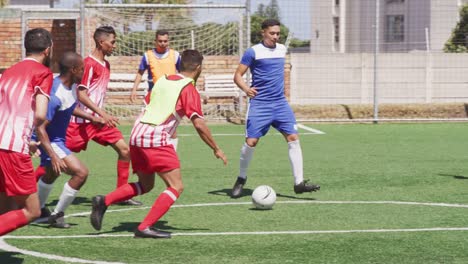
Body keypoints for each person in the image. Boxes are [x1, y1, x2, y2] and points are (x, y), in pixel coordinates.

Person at [90, 49, 227, 239]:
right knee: (176, 186)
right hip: (155, 137)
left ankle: (104, 201)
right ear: (198, 67)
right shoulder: (188, 88)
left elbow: (148, 105)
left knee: (146, 184)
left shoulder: (162, 81)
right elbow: (199, 124)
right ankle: (144, 227)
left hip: (137, 135)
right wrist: (216, 148)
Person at [33, 26, 141, 206]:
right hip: (80, 124)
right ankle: (27, 191)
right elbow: (81, 94)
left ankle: (122, 195)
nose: (114, 46)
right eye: (112, 42)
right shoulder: (88, 64)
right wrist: (101, 113)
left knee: (124, 151)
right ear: (101, 42)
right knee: (52, 160)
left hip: (99, 123)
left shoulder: (106, 64)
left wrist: (101, 116)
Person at [230, 19, 320, 198]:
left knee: (293, 138)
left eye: (278, 34)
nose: (276, 37)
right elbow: (237, 75)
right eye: (272, 33)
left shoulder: (282, 50)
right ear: (263, 32)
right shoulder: (253, 51)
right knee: (251, 142)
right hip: (260, 105)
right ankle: (241, 179)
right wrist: (247, 89)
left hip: (280, 104)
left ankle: (299, 183)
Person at [32, 52, 105, 228]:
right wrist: (52, 153)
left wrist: (91, 117)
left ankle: (39, 210)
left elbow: (67, 108)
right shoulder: (55, 93)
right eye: (82, 69)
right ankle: (57, 215)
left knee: (52, 173)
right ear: (73, 70)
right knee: (81, 173)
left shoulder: (71, 86)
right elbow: (40, 126)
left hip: (57, 140)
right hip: (50, 140)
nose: (84, 72)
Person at [0, 28, 54, 236]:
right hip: (13, 147)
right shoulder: (43, 73)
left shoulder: (9, 71)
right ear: (48, 50)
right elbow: (40, 114)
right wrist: (28, 137)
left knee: (5, 207)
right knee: (32, 210)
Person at [130, 30, 182, 151]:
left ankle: (172, 153)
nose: (163, 43)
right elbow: (140, 73)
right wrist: (134, 90)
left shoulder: (175, 55)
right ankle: (146, 149)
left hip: (170, 97)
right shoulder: (148, 56)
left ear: (168, 41)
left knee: (171, 127)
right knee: (145, 122)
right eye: (160, 41)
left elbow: (183, 73)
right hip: (152, 97)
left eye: (165, 41)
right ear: (155, 41)